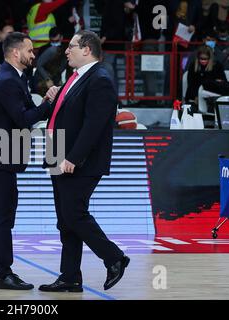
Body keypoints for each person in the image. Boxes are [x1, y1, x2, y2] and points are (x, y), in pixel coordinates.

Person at [39, 30, 129, 292]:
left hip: (80, 161)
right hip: (59, 156)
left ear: (87, 49)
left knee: (74, 214)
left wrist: (74, 158)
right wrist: (57, 96)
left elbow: (94, 125)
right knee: (65, 220)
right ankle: (69, 277)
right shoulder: (75, 77)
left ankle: (114, 258)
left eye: (72, 46)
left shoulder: (100, 79)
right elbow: (70, 115)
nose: (66, 51)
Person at [0, 32, 54, 290]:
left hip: (2, 154)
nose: (33, 54)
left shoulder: (14, 76)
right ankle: (3, 273)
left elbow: (24, 113)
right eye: (29, 50)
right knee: (5, 215)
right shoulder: (6, 80)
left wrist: (44, 102)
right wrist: (49, 103)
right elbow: (24, 119)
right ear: (16, 53)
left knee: (4, 210)